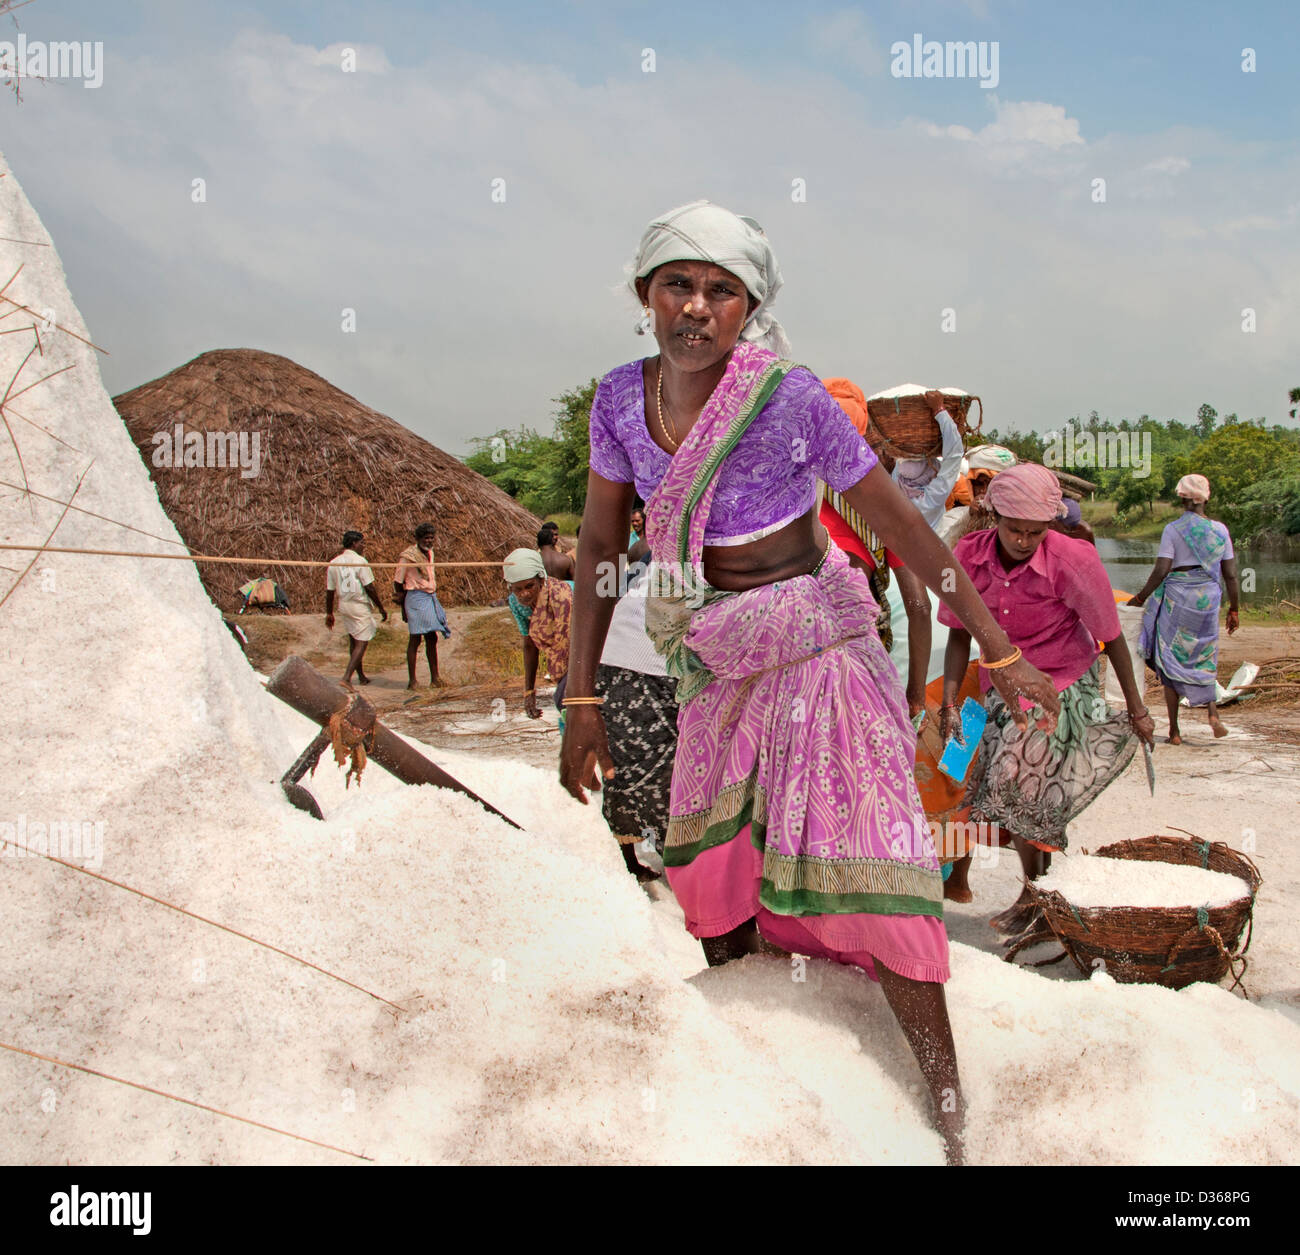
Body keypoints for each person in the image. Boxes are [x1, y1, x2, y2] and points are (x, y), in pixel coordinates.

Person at [559, 199, 1060, 1163]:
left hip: (822, 651)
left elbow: (906, 530)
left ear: (750, 306)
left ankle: (952, 1110)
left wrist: (998, 648)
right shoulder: (620, 401)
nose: (696, 307)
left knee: (875, 862)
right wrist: (580, 700)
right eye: (678, 285)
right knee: (712, 870)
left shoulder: (789, 398)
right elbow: (595, 541)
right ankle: (770, 1086)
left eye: (721, 290)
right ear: (644, 296)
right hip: (716, 657)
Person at [938, 463, 1156, 937]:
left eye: (1035, 533)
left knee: (1025, 777)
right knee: (953, 766)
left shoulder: (1073, 561)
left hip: (1059, 682)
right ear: (994, 515)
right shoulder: (968, 557)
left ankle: (1036, 897)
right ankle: (955, 877)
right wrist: (951, 699)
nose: (1023, 540)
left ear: (1049, 525)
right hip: (996, 682)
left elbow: (1112, 637)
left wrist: (1137, 709)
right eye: (1014, 530)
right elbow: (958, 634)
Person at [1129, 474, 1240, 743]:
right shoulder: (1220, 531)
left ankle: (1175, 732)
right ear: (1205, 497)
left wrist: (1142, 597)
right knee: (1204, 654)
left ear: (1181, 497)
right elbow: (1232, 575)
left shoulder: (1173, 530)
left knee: (1171, 658)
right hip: (1208, 599)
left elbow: (1162, 570)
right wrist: (1234, 608)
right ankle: (1213, 715)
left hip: (1179, 597)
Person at [593, 557, 678, 882]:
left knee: (630, 769)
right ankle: (686, 881)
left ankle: (661, 865)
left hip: (622, 661)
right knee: (660, 775)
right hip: (640, 667)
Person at [504, 548, 573, 718]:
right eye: (517, 589)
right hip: (563, 654)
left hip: (585, 642)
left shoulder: (562, 596)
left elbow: (570, 642)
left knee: (568, 699)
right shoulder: (516, 603)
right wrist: (529, 692)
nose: (524, 594)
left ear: (541, 579)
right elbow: (529, 644)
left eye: (529, 586)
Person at [325, 530, 388, 686]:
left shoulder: (334, 562)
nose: (363, 546)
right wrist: (381, 607)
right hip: (358, 604)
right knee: (362, 641)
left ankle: (361, 676)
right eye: (362, 543)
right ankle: (346, 677)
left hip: (344, 605)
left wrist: (329, 612)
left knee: (354, 638)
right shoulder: (360, 561)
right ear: (354, 543)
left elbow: (329, 591)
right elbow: (369, 587)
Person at [394, 522, 451, 689]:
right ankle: (412, 681)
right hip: (415, 598)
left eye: (432, 538)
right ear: (418, 539)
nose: (429, 541)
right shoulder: (408, 556)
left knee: (432, 637)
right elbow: (398, 581)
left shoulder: (430, 553)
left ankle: (435, 678)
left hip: (429, 597)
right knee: (415, 638)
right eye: (426, 538)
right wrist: (403, 606)